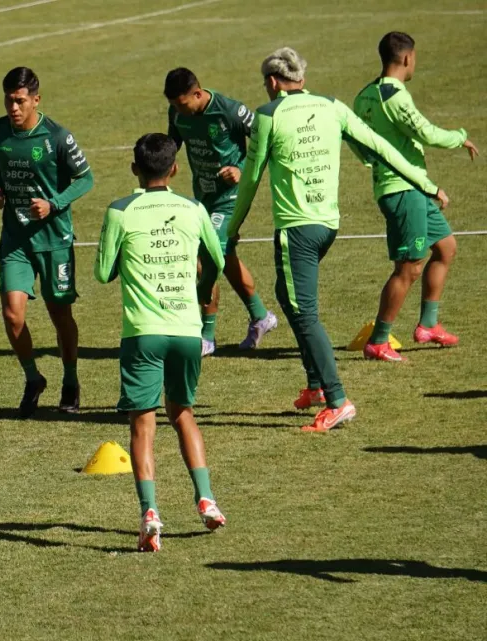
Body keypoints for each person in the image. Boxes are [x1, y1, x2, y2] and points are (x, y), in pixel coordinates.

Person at [229, 47, 447, 432]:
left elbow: (250, 179)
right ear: (302, 79)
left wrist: (229, 230)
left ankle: (336, 399)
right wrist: (427, 184)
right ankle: (315, 385)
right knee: (287, 295)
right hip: (328, 226)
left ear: (273, 82)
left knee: (304, 312)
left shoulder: (268, 115)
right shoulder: (332, 106)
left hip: (297, 229)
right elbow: (381, 147)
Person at [94, 133, 227, 553]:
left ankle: (149, 512)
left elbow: (103, 273)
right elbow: (218, 260)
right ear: (175, 169)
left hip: (143, 333)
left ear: (135, 169)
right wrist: (200, 290)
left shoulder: (120, 210)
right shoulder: (194, 209)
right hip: (187, 330)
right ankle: (206, 498)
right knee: (183, 412)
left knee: (143, 423)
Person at [353, 32, 479, 361]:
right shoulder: (395, 96)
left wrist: (369, 160)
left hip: (413, 187)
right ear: (407, 58)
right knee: (408, 268)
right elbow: (424, 132)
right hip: (402, 189)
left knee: (446, 247)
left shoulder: (364, 96)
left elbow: (353, 135)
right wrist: (459, 137)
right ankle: (378, 341)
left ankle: (428, 325)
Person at [0, 66, 95, 417]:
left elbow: (86, 178)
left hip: (53, 239)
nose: (13, 108)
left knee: (60, 314)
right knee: (12, 313)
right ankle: (33, 378)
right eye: (8, 100)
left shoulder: (57, 137)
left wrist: (53, 204)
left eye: (20, 101)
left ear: (36, 100)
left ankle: (71, 380)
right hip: (15, 238)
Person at [164, 67, 278, 355]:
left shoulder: (231, 111)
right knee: (224, 256)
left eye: (182, 104)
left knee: (208, 253)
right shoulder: (176, 112)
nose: (179, 111)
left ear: (197, 94)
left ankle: (207, 335)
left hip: (231, 197)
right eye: (174, 105)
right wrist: (166, 163)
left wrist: (241, 170)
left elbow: (267, 141)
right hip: (203, 195)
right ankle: (261, 316)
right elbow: (173, 140)